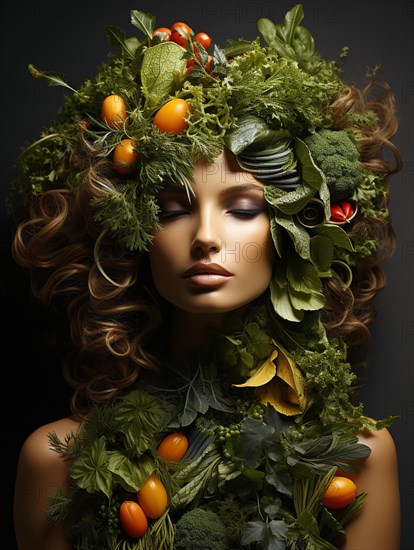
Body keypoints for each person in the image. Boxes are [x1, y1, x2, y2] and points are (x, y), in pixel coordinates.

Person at [10, 4, 402, 550]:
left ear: (296, 230)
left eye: (243, 208)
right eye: (173, 210)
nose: (205, 236)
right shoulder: (58, 461)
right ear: (133, 235)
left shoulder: (357, 457)